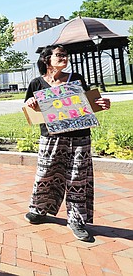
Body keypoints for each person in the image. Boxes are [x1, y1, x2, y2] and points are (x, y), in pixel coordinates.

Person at [24, 44, 110, 242]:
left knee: (77, 179)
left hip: (79, 137)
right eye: (60, 55)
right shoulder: (36, 83)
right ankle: (39, 210)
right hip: (51, 137)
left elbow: (89, 104)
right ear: (47, 59)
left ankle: (77, 220)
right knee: (45, 175)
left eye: (66, 55)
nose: (65, 58)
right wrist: (30, 104)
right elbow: (29, 109)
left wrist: (103, 105)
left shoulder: (76, 79)